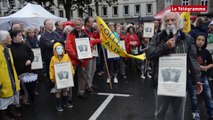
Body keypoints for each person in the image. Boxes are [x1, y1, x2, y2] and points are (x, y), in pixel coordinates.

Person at [146, 11, 203, 120]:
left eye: (173, 20)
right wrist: (164, 47)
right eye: (167, 20)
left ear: (179, 22)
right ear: (163, 23)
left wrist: (197, 80)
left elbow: (193, 61)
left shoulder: (187, 38)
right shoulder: (158, 38)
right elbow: (149, 55)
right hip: (161, 83)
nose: (170, 23)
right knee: (160, 114)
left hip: (180, 84)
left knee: (178, 114)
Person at [187, 33, 213, 120]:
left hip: (203, 76)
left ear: (205, 42)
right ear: (195, 40)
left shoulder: (206, 52)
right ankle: (195, 112)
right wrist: (189, 69)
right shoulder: (190, 51)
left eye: (202, 40)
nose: (200, 42)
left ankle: (211, 112)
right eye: (198, 40)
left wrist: (205, 67)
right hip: (192, 78)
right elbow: (187, 63)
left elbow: (211, 63)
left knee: (208, 95)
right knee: (194, 97)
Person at [9, 30, 34, 105]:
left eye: (21, 35)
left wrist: (30, 60)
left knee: (27, 86)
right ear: (13, 37)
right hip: (16, 72)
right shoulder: (9, 48)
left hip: (26, 70)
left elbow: (31, 54)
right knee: (18, 87)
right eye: (19, 35)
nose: (21, 37)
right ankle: (17, 103)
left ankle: (25, 100)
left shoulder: (24, 45)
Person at [0, 31, 21, 120]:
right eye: (8, 37)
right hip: (3, 79)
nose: (10, 38)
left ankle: (11, 111)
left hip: (10, 77)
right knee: (4, 98)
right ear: (3, 40)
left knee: (11, 95)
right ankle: (3, 115)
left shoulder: (7, 49)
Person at [49, 42, 75, 112]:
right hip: (58, 79)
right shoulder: (53, 58)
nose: (60, 50)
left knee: (65, 90)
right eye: (58, 48)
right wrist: (52, 77)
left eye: (61, 48)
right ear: (55, 50)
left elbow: (70, 65)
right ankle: (58, 105)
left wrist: (72, 73)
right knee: (58, 92)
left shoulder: (66, 56)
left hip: (66, 77)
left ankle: (65, 102)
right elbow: (51, 68)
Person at [83, 16, 101, 91]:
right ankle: (88, 85)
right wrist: (99, 40)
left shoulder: (91, 30)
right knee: (89, 70)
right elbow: (89, 41)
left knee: (93, 69)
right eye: (91, 22)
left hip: (93, 51)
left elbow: (94, 38)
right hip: (88, 53)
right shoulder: (84, 30)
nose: (92, 23)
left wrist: (99, 33)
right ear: (87, 23)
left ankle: (90, 83)